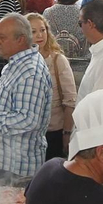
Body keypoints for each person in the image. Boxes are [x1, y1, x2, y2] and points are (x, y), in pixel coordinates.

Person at [0, 15, 52, 189]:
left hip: (13, 169)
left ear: (20, 40)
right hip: (1, 164)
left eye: (2, 37)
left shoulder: (30, 73)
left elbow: (28, 120)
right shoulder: (17, 64)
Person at [27, 13, 77, 162]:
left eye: (42, 30)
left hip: (54, 131)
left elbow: (70, 100)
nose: (39, 35)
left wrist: (67, 134)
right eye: (33, 31)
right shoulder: (22, 61)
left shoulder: (57, 60)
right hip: (29, 133)